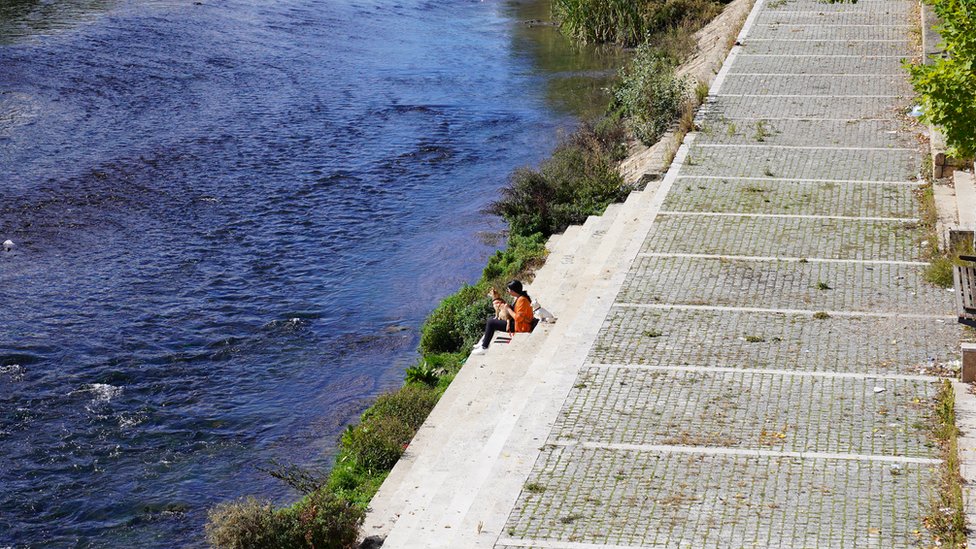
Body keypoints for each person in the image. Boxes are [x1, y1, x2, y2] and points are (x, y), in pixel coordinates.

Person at [472, 280, 534, 354]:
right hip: (517, 323)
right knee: (491, 319)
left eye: (508, 290)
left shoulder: (522, 300)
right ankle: (483, 342)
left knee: (491, 322)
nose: (507, 291)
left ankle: (484, 347)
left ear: (513, 291)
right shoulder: (520, 297)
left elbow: (518, 318)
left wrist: (508, 308)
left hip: (521, 326)